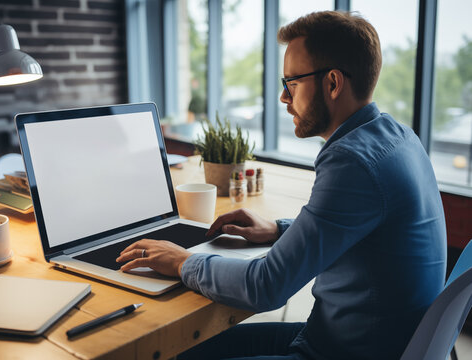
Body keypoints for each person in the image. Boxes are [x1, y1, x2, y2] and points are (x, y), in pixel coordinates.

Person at [116, 10, 447, 360]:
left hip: (341, 351)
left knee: (173, 353)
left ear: (333, 83)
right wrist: (279, 230)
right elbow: (354, 232)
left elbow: (266, 287)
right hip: (362, 340)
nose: (283, 98)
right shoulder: (399, 137)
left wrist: (182, 262)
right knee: (184, 349)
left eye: (292, 83)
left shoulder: (352, 163)